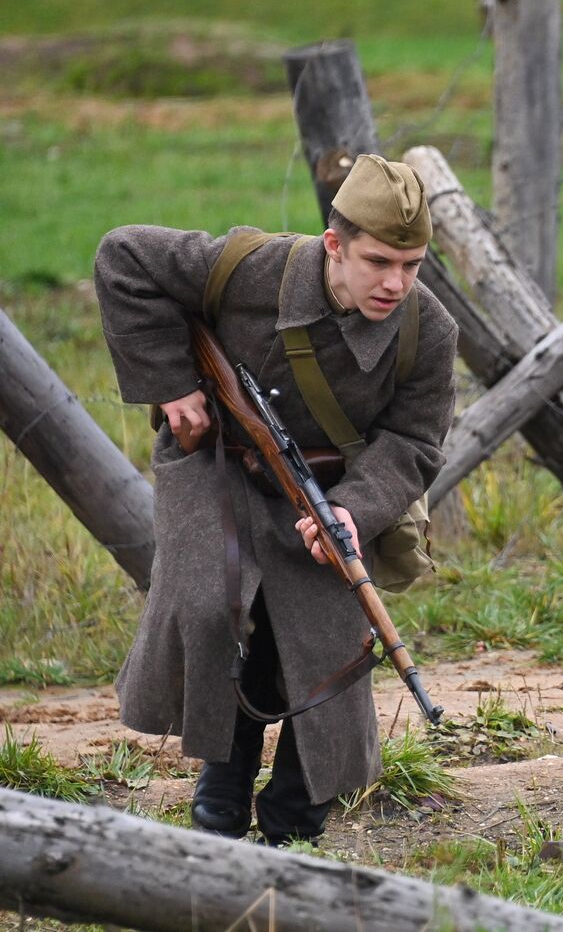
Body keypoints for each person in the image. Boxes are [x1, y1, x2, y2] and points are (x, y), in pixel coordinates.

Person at [95, 154, 457, 845]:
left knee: (328, 644)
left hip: (327, 491)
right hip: (219, 464)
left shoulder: (427, 329)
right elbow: (123, 257)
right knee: (212, 607)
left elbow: (413, 441)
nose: (396, 282)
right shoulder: (250, 267)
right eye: (378, 261)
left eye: (412, 265)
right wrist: (172, 382)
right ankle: (221, 790)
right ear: (334, 245)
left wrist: (356, 506)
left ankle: (294, 816)